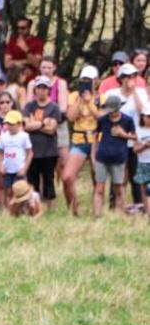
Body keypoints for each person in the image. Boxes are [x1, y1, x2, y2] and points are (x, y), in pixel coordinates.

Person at [104, 62, 150, 210]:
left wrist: (134, 92)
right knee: (118, 174)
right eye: (127, 77)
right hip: (118, 139)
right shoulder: (112, 94)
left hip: (136, 139)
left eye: (133, 76)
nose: (131, 79)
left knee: (136, 175)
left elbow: (142, 111)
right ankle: (115, 205)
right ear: (121, 78)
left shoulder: (141, 92)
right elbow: (108, 115)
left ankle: (139, 206)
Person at [62, 66, 99, 216]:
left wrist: (90, 102)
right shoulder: (74, 96)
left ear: (96, 81)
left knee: (97, 177)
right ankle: (73, 209)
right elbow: (70, 117)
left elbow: (101, 118)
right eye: (84, 80)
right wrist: (80, 100)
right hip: (79, 139)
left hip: (97, 139)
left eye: (90, 80)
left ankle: (97, 211)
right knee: (67, 176)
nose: (87, 83)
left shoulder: (101, 97)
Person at [92, 96, 135, 218]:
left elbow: (136, 137)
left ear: (118, 109)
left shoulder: (128, 120)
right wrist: (93, 154)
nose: (111, 113)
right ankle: (97, 215)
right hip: (102, 158)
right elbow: (95, 136)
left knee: (118, 187)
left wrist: (123, 135)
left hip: (119, 159)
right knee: (99, 188)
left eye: (112, 111)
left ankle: (120, 214)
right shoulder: (102, 120)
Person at [23, 75, 62, 210]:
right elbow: (26, 126)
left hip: (49, 151)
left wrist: (35, 124)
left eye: (44, 88)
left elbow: (52, 129)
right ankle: (35, 208)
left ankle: (51, 208)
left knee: (48, 180)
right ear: (35, 90)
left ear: (49, 90)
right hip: (32, 150)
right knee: (33, 181)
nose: (41, 90)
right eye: (39, 87)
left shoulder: (54, 107)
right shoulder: (29, 106)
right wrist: (42, 124)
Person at [0, 110, 33, 201]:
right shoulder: (3, 136)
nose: (10, 126)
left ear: (19, 124)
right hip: (7, 169)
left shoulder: (24, 136)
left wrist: (24, 168)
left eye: (12, 124)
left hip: (19, 170)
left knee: (20, 191)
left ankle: (20, 210)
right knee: (8, 190)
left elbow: (30, 153)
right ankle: (8, 210)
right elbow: (1, 153)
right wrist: (1, 166)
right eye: (8, 124)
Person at [132, 110, 150, 215]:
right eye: (147, 116)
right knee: (143, 189)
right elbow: (135, 149)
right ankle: (147, 212)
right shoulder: (138, 131)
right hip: (142, 162)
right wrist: (145, 146)